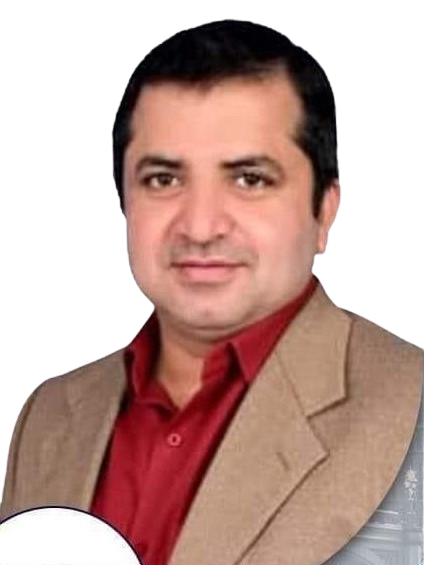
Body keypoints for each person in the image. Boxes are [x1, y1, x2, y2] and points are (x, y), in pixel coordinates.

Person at [1, 19, 422, 565]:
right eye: (163, 179)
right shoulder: (48, 413)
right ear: (124, 203)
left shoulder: (412, 404)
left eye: (249, 179)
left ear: (324, 211)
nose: (200, 227)